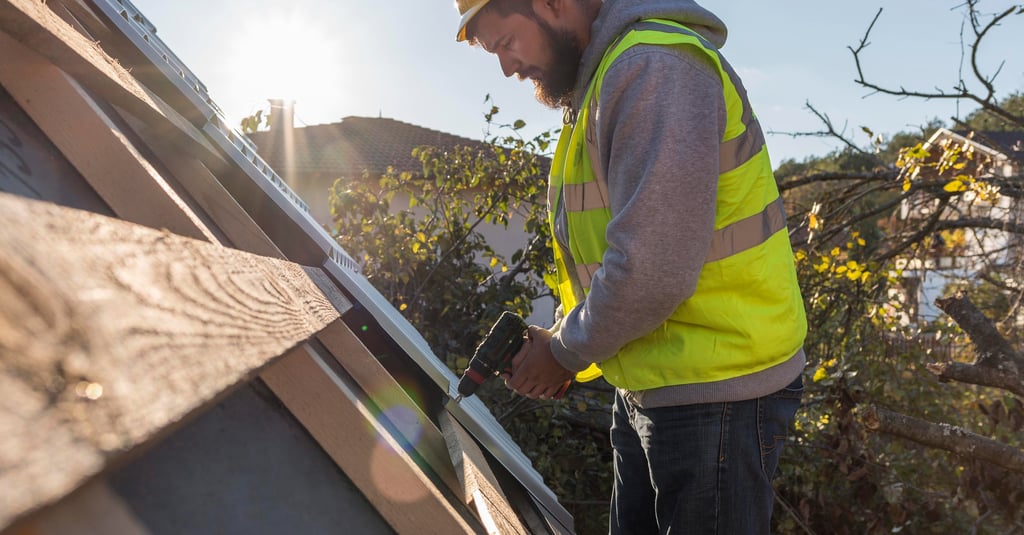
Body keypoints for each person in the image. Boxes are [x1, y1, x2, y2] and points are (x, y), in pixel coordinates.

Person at [454, 0, 808, 533]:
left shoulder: (653, 68)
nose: (507, 67)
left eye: (506, 43)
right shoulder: (603, 79)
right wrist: (558, 340)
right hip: (656, 377)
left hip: (717, 390)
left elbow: (651, 271)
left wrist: (566, 353)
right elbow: (629, 255)